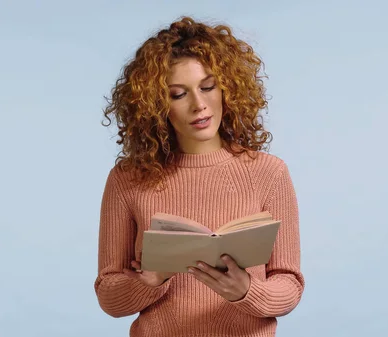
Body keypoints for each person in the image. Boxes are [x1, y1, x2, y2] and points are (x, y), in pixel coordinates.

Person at [94, 16, 305, 337]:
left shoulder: (269, 172)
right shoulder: (126, 179)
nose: (199, 105)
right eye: (178, 94)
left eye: (208, 87)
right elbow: (108, 295)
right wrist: (150, 281)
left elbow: (290, 285)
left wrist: (246, 290)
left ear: (228, 88)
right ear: (155, 106)